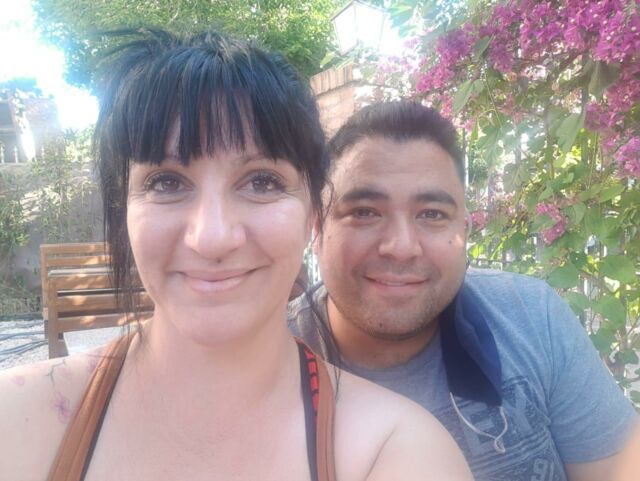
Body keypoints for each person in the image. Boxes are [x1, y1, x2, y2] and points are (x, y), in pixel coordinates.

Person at [0, 32, 473, 481]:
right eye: (166, 182)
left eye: (262, 182)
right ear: (123, 209)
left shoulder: (394, 451)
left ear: (314, 212)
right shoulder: (17, 420)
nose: (212, 238)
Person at [289, 100, 639, 481]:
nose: (401, 247)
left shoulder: (532, 317)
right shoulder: (269, 358)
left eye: (432, 214)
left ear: (465, 231)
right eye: (364, 212)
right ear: (317, 229)